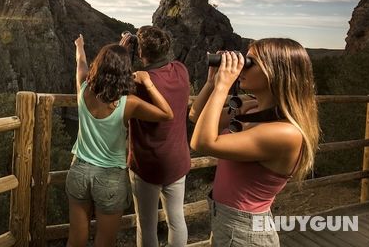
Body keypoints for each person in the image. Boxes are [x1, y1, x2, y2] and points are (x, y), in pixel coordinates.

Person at [189, 38, 320, 246]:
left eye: (250, 62)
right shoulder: (252, 109)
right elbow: (196, 116)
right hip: (226, 223)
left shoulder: (285, 133)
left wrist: (224, 86)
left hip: (245, 233)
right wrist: (212, 83)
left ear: (275, 72)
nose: (242, 67)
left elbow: (201, 143)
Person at [67, 34, 175, 247]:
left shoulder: (84, 88)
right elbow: (167, 114)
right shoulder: (129, 103)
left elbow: (80, 62)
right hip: (110, 177)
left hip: (78, 170)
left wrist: (80, 45)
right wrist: (148, 83)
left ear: (98, 65)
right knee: (105, 242)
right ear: (124, 71)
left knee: (76, 240)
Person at [121, 26, 191, 247]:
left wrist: (121, 52)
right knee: (176, 219)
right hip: (177, 161)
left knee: (147, 225)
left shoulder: (138, 83)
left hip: (147, 164)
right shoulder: (181, 70)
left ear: (140, 52)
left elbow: (113, 85)